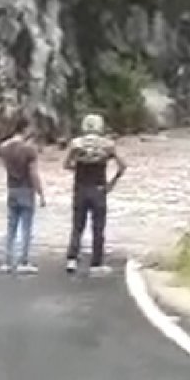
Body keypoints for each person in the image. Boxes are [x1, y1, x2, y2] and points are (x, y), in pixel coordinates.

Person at [63, 113, 126, 276]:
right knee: (98, 227)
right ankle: (96, 263)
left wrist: (78, 169)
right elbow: (123, 166)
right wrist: (112, 183)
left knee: (77, 226)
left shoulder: (76, 144)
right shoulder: (108, 145)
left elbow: (66, 164)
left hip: (80, 188)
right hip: (99, 189)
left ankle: (72, 259)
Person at [0, 115, 45, 274]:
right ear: (25, 128)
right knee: (26, 227)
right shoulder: (29, 149)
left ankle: (7, 261)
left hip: (12, 188)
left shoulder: (3, 147)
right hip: (26, 189)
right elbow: (33, 174)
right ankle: (23, 261)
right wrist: (41, 193)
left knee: (11, 227)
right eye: (30, 128)